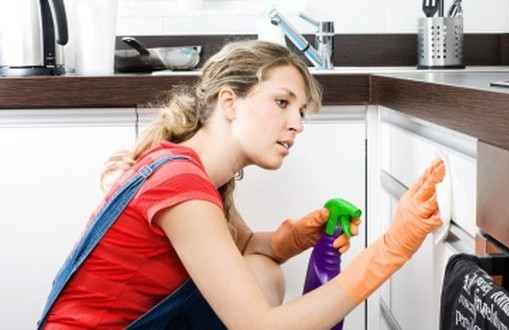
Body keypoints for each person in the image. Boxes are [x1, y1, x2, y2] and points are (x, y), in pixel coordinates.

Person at [38, 40, 445, 329]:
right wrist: (391, 250)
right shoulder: (181, 185)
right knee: (262, 286)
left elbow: (240, 248)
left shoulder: (188, 168)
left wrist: (288, 242)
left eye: (301, 111)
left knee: (263, 272)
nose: (298, 124)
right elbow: (259, 326)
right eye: (282, 103)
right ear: (230, 102)